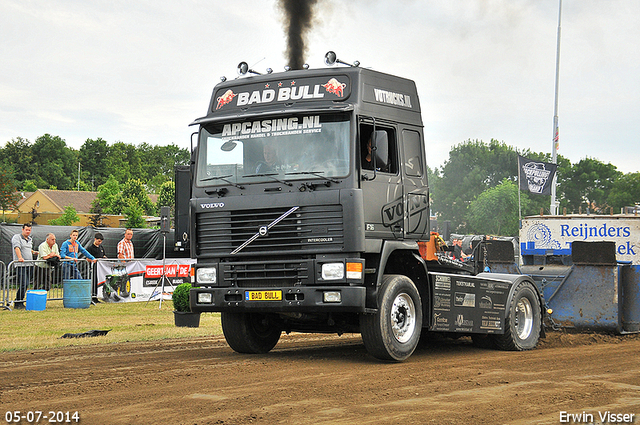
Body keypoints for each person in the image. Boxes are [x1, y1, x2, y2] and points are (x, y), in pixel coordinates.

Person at [11, 223, 38, 308]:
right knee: (24, 283)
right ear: (22, 229)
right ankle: (18, 302)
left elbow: (28, 249)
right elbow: (17, 248)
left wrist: (34, 252)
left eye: (29, 230)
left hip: (29, 264)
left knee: (26, 284)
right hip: (21, 265)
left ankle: (20, 301)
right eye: (26, 230)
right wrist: (20, 257)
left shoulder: (30, 239)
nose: (28, 231)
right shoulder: (17, 237)